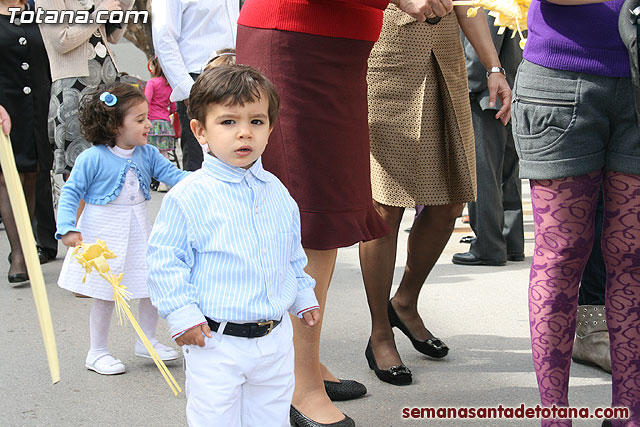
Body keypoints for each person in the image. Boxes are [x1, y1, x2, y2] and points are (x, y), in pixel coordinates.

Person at [237, 0, 454, 424]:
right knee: (311, 215)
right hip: (297, 36)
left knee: (327, 211)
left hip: (342, 45)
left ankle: (300, 363)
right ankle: (299, 383)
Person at [146, 65, 321, 427]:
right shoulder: (188, 197)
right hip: (215, 341)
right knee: (215, 418)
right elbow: (165, 262)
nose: (244, 132)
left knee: (271, 416)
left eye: (257, 122)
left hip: (274, 338)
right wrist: (183, 316)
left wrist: (303, 295)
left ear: (270, 128)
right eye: (228, 122)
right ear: (200, 131)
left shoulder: (278, 192)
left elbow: (290, 254)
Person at [359, 5, 512, 385]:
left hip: (447, 61)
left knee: (450, 200)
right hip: (386, 56)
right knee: (385, 205)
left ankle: (405, 302)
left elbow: (469, 5)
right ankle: (380, 332)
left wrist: (493, 67)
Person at [511, 0, 640, 425]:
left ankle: (629, 412)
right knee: (560, 257)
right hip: (561, 80)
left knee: (632, 260)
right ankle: (554, 417)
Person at [56, 82, 188, 375]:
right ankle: (97, 351)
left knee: (150, 284)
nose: (148, 123)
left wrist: (207, 177)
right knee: (105, 294)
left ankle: (147, 339)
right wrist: (67, 227)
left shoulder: (148, 153)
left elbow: (175, 176)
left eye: (146, 117)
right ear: (116, 126)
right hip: (104, 232)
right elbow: (71, 192)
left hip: (139, 229)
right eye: (140, 119)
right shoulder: (92, 158)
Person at [452, 14, 524, 266]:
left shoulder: (486, 5)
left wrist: (464, 88)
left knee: (484, 173)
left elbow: (477, 52)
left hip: (486, 93)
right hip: (511, 86)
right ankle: (511, 242)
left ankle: (488, 246)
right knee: (507, 172)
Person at [39, 0, 134, 176]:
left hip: (107, 83)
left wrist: (125, 5)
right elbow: (61, 40)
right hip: (74, 87)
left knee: (113, 161)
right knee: (79, 168)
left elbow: (113, 37)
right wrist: (100, 13)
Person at [151, 0, 239, 171]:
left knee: (237, 158)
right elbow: (163, 37)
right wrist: (187, 90)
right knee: (199, 163)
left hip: (236, 75)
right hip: (198, 79)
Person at [1, 0, 53, 286]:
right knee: (7, 178)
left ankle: (26, 243)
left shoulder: (38, 8)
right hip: (4, 104)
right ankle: (20, 252)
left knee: (31, 174)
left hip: (37, 103)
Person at [145, 56, 176, 192]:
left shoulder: (152, 83)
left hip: (152, 123)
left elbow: (146, 100)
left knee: (148, 153)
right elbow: (174, 108)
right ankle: (164, 182)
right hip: (165, 124)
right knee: (164, 154)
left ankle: (146, 180)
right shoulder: (170, 86)